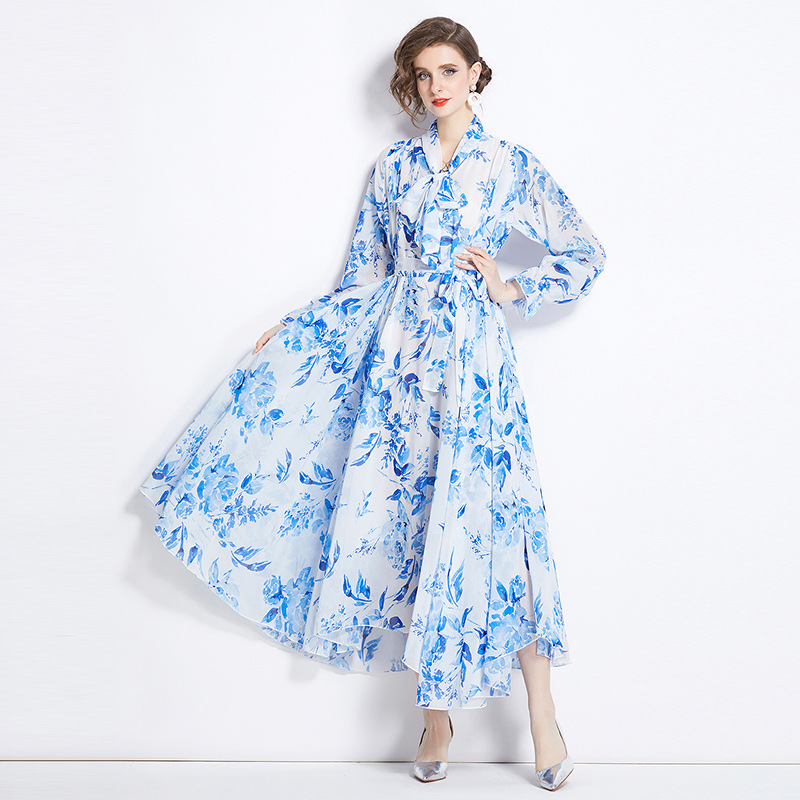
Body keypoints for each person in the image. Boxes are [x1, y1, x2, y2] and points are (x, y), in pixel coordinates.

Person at [140, 15, 604, 792]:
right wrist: (299, 331)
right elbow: (365, 274)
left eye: (448, 70)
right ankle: (434, 717)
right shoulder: (393, 169)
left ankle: (543, 715)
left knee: (507, 526)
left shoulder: (510, 167)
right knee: (413, 527)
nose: (435, 87)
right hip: (401, 369)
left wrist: (510, 283)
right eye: (422, 75)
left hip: (477, 369)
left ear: (476, 74)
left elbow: (580, 251)